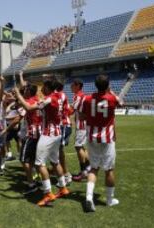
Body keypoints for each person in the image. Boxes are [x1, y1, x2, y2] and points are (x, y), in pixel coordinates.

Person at [14, 77, 70, 207]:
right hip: (57, 133)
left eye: (43, 87)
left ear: (48, 88)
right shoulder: (61, 95)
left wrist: (18, 94)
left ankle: (48, 193)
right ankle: (63, 188)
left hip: (48, 134)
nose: (41, 89)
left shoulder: (49, 99)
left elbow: (28, 107)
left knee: (39, 164)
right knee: (55, 162)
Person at [79, 74, 122, 212]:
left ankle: (89, 198)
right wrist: (111, 92)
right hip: (107, 139)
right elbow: (121, 102)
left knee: (94, 168)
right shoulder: (111, 98)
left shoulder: (87, 98)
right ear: (108, 85)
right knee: (109, 170)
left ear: (95, 85)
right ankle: (109, 200)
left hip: (91, 137)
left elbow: (81, 115)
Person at [70, 78, 91, 181]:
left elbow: (71, 110)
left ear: (77, 85)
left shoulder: (78, 96)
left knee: (78, 147)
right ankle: (88, 168)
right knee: (82, 147)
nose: (70, 86)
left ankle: (83, 172)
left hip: (81, 125)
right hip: (85, 124)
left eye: (72, 85)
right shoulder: (84, 96)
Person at [55, 80, 73, 186]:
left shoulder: (59, 96)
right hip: (63, 125)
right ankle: (64, 173)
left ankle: (66, 175)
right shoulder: (62, 95)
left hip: (63, 125)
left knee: (59, 151)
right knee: (58, 151)